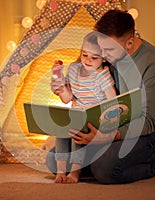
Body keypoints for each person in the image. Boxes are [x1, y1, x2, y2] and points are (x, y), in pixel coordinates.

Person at [46, 9, 155, 184]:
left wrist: (107, 137)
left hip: (149, 135)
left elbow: (149, 122)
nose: (103, 54)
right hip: (109, 124)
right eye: (101, 47)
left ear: (129, 43)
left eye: (108, 49)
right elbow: (83, 85)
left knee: (104, 169)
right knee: (54, 161)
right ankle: (102, 157)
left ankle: (151, 166)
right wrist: (62, 87)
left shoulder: (154, 63)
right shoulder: (106, 51)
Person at [50, 31, 117, 183]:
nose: (88, 60)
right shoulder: (74, 69)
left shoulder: (102, 75)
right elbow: (67, 99)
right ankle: (60, 171)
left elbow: (112, 100)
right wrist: (59, 83)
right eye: (84, 54)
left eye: (94, 58)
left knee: (77, 128)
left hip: (94, 119)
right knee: (61, 128)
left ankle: (75, 171)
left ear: (104, 58)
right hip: (76, 113)